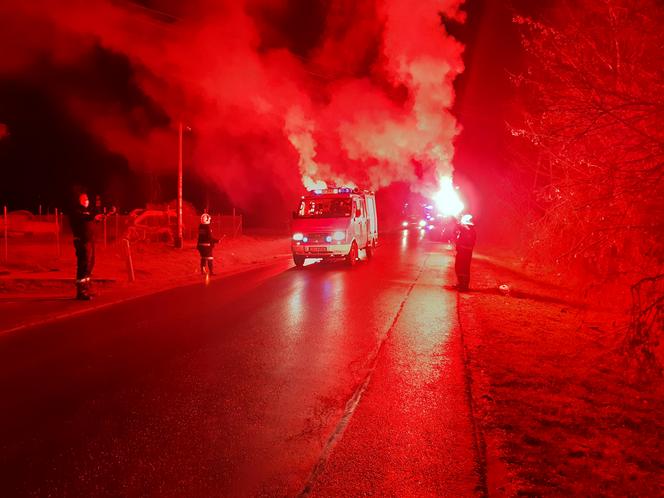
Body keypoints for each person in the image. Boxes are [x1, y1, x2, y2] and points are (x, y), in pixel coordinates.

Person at [69, 191, 102, 300]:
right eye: (84, 199)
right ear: (79, 201)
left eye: (87, 199)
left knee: (89, 265)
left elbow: (89, 221)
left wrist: (97, 219)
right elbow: (84, 218)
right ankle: (81, 291)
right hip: (82, 242)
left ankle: (87, 288)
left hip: (89, 241)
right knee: (83, 266)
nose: (87, 201)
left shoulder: (86, 212)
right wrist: (94, 216)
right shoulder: (77, 211)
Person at [455, 213, 477, 292]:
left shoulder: (468, 230)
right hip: (462, 252)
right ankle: (460, 284)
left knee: (463, 269)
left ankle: (464, 287)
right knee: (459, 267)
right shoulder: (467, 230)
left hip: (465, 253)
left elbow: (467, 242)